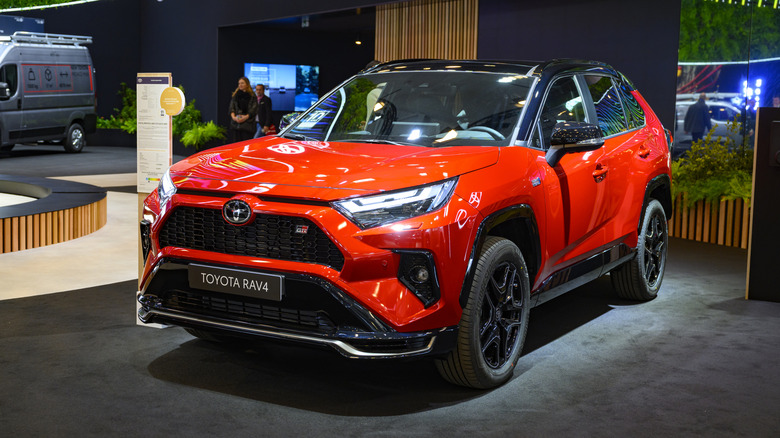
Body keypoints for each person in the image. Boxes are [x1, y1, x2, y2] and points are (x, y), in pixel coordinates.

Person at [229, 76, 257, 143]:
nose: (240, 85)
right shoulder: (235, 95)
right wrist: (234, 117)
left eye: (242, 83)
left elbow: (254, 109)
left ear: (247, 84)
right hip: (236, 125)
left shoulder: (252, 96)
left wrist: (245, 117)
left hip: (247, 125)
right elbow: (231, 107)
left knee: (246, 144)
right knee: (236, 144)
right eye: (239, 83)